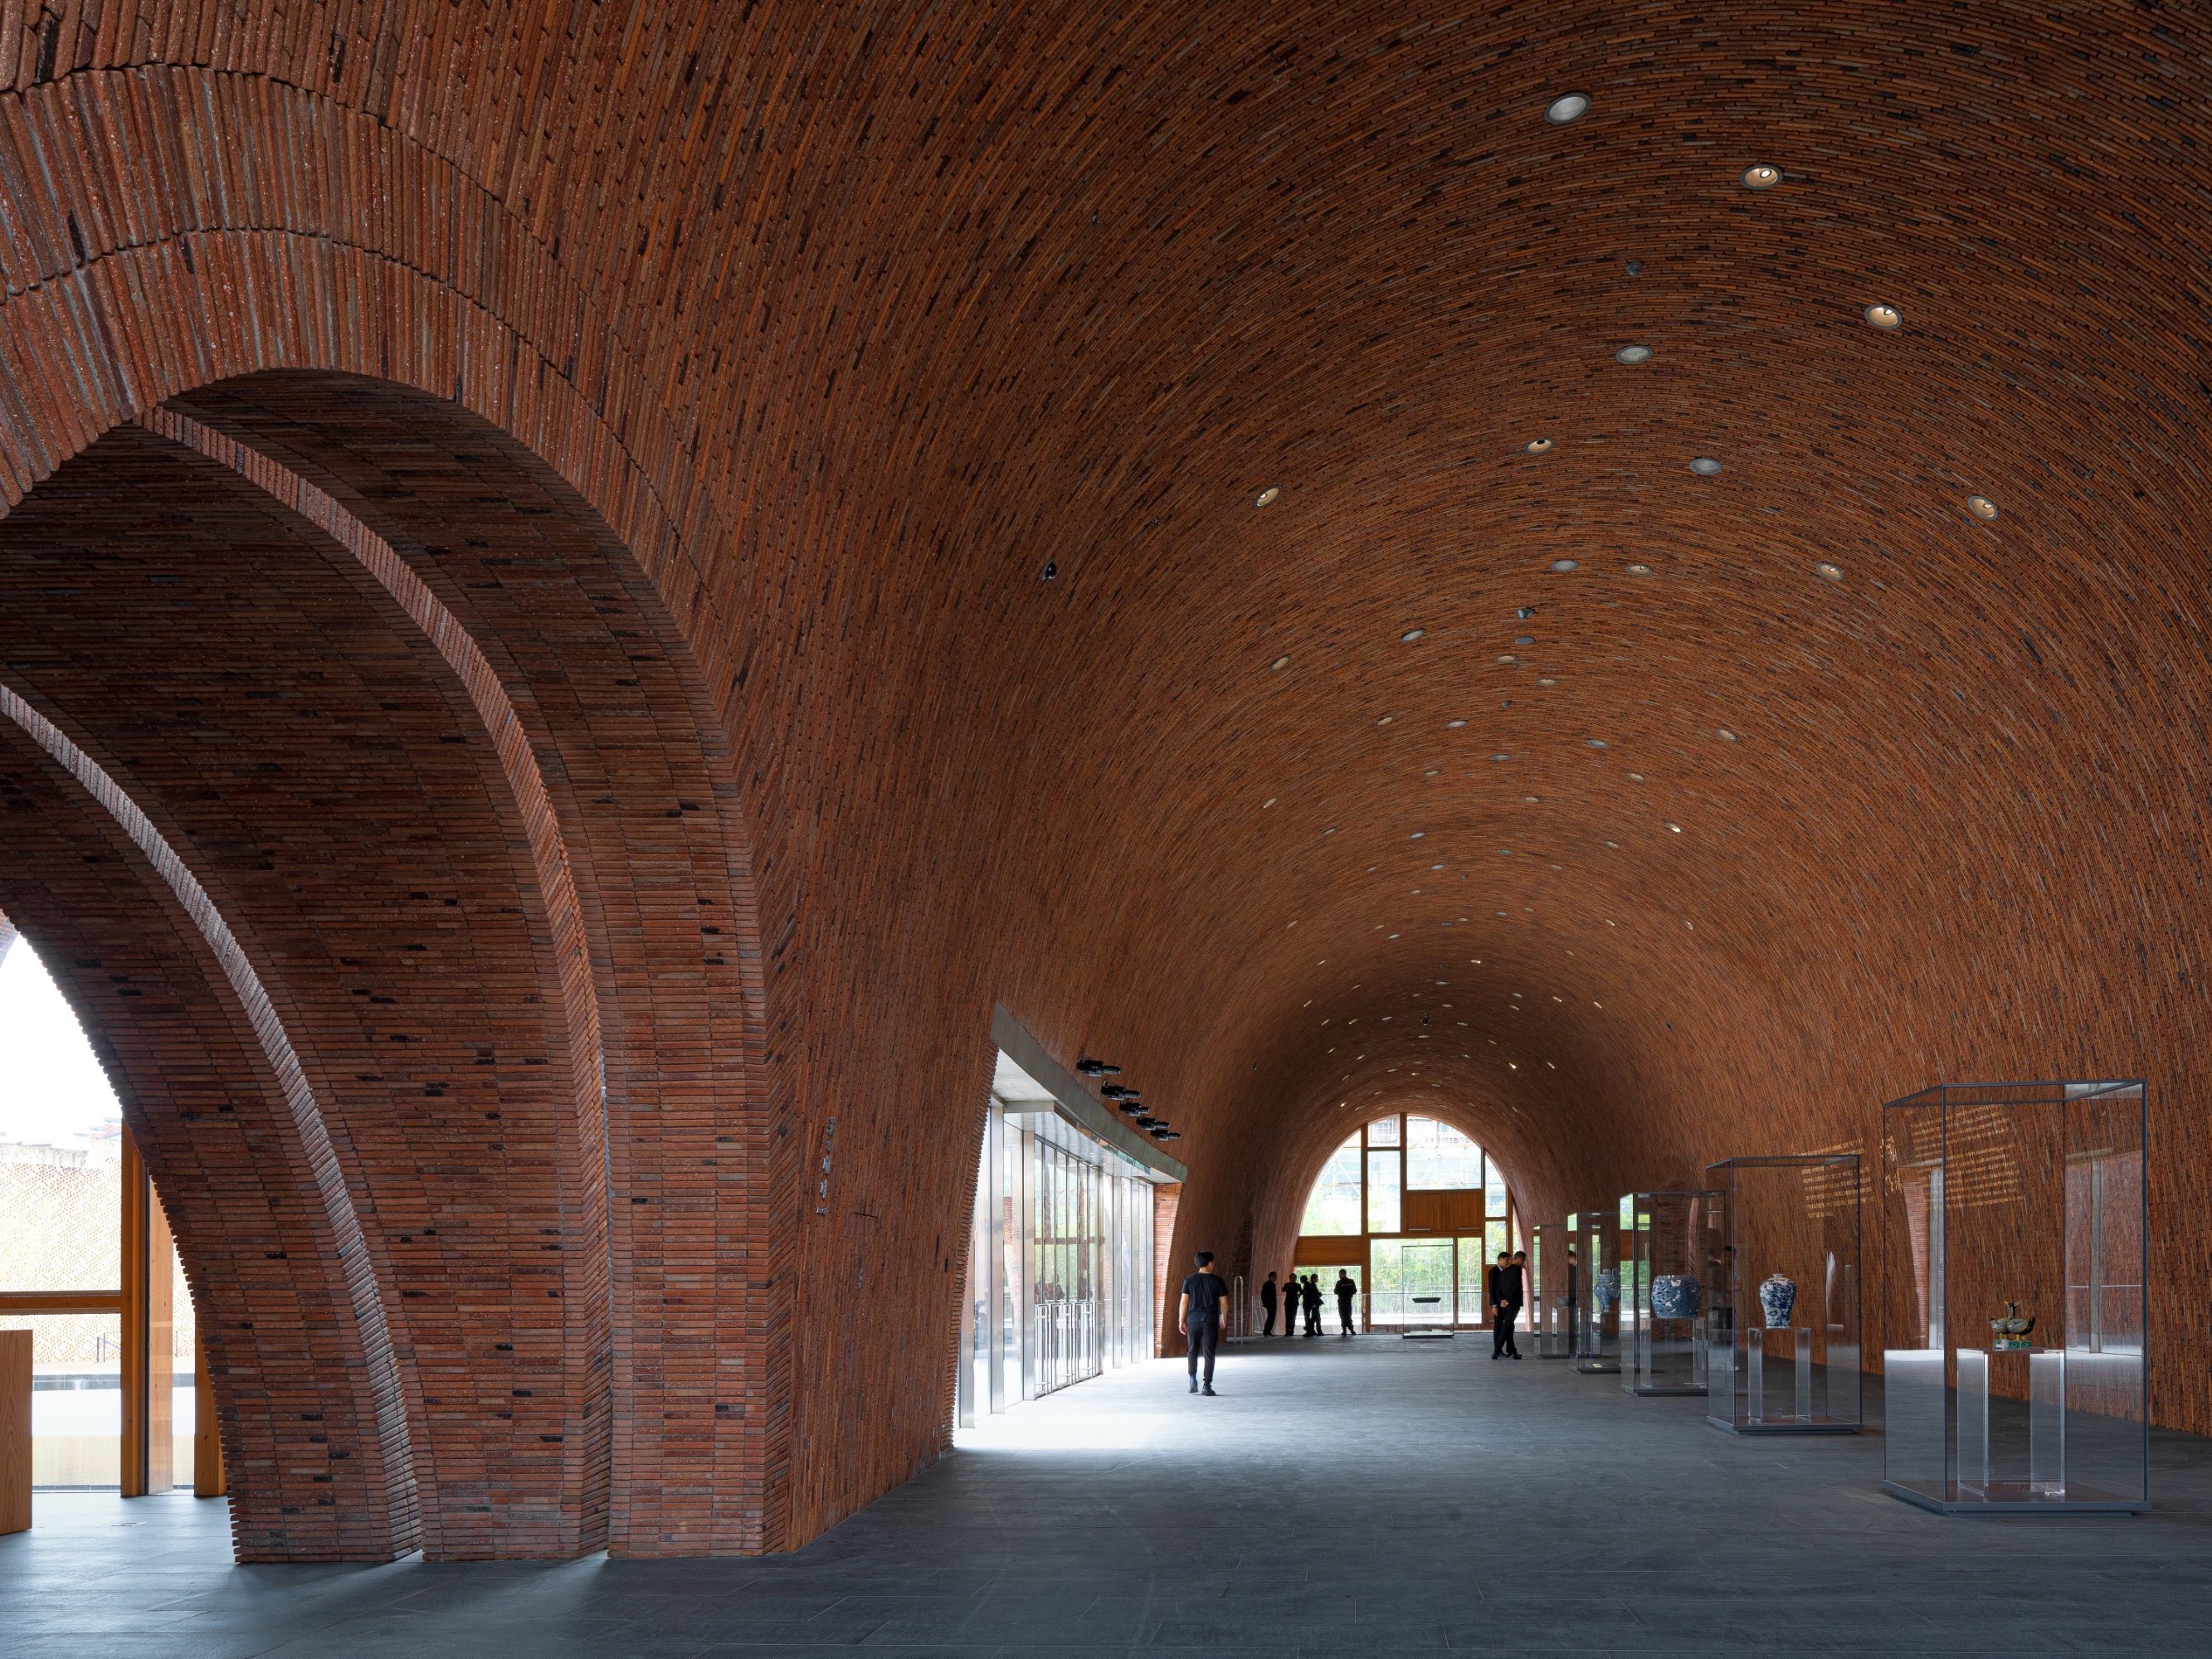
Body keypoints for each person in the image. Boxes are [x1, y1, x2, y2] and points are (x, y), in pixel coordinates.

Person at [1178, 1250, 1229, 1395]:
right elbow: (1224, 1302)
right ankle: (1207, 1385)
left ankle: (1192, 1378)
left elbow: (1184, 1301)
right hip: (1210, 1321)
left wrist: (1181, 1320)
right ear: (1210, 1263)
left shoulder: (1189, 1280)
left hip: (1193, 1320)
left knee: (1192, 1350)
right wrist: (1223, 1317)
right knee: (1209, 1352)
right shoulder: (1217, 1281)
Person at [1487, 1249, 1523, 1360]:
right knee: (1499, 1326)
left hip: (1505, 1304)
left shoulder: (1506, 1271)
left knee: (1509, 1326)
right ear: (1500, 1259)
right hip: (1499, 1305)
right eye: (1507, 1260)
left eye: (1509, 1260)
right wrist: (1494, 1305)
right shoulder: (1493, 1271)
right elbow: (1492, 1290)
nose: (1508, 1262)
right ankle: (1497, 1350)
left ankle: (1510, 1349)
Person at [1333, 1269, 1358, 1335]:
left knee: (1342, 1316)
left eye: (1340, 1274)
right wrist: (1349, 1293)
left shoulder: (1339, 1282)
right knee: (1348, 1315)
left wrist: (1342, 1292)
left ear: (1343, 1274)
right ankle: (1351, 1330)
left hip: (1341, 1301)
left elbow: (1335, 1292)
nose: (1339, 1276)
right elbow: (1355, 1291)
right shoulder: (1351, 1281)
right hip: (1348, 1301)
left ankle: (1344, 1331)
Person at [1259, 1270, 1279, 1338]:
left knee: (1272, 1317)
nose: (1276, 1278)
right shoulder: (1267, 1284)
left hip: (1273, 1303)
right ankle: (1266, 1331)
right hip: (1270, 1303)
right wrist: (1265, 1302)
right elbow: (1263, 1294)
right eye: (1275, 1276)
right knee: (1270, 1317)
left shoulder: (1273, 1284)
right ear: (1272, 1276)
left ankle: (1268, 1331)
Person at [1301, 1272, 1322, 1336]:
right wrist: (1319, 1294)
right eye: (1317, 1278)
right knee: (1315, 1317)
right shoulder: (1311, 1285)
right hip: (1312, 1304)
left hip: (1309, 1304)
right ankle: (1312, 1330)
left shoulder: (1308, 1285)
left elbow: (1310, 1295)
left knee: (1311, 1318)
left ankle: (1310, 1330)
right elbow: (1312, 1295)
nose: (1317, 1279)